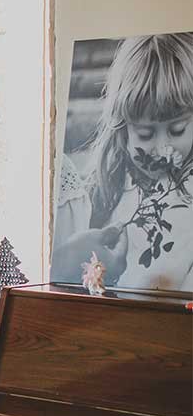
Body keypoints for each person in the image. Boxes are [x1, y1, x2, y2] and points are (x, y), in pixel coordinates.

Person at [51, 33, 193, 292]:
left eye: (178, 129)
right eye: (146, 134)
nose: (163, 148)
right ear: (122, 129)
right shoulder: (109, 189)